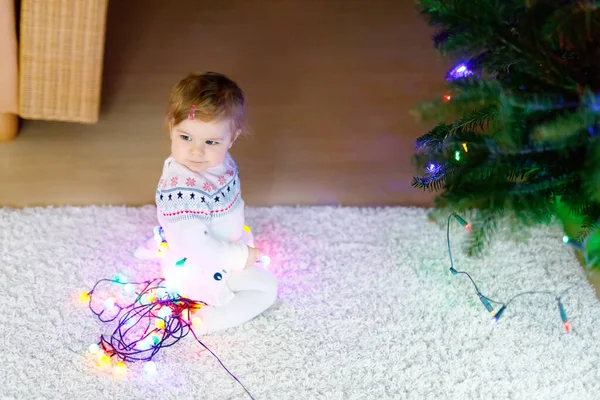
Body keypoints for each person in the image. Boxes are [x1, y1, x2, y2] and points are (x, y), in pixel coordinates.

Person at [135, 72, 278, 334]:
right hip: (200, 266)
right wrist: (239, 256)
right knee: (267, 289)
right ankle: (202, 322)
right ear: (171, 128)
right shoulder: (182, 189)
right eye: (185, 138)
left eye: (211, 141)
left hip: (220, 247)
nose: (197, 151)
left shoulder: (218, 163)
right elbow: (195, 245)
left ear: (232, 138)